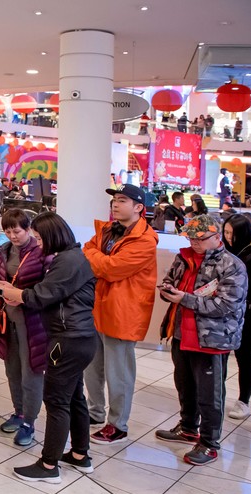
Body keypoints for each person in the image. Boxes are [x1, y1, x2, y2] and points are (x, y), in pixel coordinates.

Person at [0, 212, 98, 483]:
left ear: (51, 236)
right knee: (74, 398)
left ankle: (49, 466)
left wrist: (4, 291)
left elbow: (39, 296)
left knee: (57, 401)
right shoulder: (68, 258)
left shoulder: (68, 261)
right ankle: (80, 455)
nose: (37, 242)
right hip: (77, 337)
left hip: (68, 339)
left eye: (38, 237)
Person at [155, 214, 247, 465]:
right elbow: (169, 281)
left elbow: (225, 305)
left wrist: (183, 298)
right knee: (184, 385)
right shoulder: (183, 257)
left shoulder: (232, 265)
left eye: (200, 238)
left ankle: (209, 443)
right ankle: (187, 428)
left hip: (212, 340)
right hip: (181, 334)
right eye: (191, 237)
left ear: (218, 238)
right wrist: (168, 291)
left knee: (210, 395)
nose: (194, 242)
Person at [83, 184, 159, 444]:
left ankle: (118, 424)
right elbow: (87, 252)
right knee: (92, 367)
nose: (115, 204)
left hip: (123, 312)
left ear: (139, 207)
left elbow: (112, 268)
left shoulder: (145, 240)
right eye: (114, 200)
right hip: (97, 307)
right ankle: (94, 413)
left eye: (122, 200)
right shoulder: (106, 230)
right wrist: (97, 259)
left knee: (119, 373)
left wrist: (96, 259)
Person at [0, 209, 49, 445]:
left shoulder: (41, 253)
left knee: (31, 373)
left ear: (28, 229)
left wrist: (17, 293)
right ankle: (19, 411)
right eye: (8, 231)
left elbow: (45, 290)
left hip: (32, 323)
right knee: (12, 369)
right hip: (8, 320)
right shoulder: (3, 251)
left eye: (18, 231)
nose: (13, 236)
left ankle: (29, 422)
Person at [222, 214, 251, 421]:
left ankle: (244, 400)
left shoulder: (250, 256)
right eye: (225, 232)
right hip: (229, 313)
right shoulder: (223, 253)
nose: (227, 237)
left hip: (249, 314)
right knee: (232, 355)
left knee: (244, 356)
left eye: (231, 234)